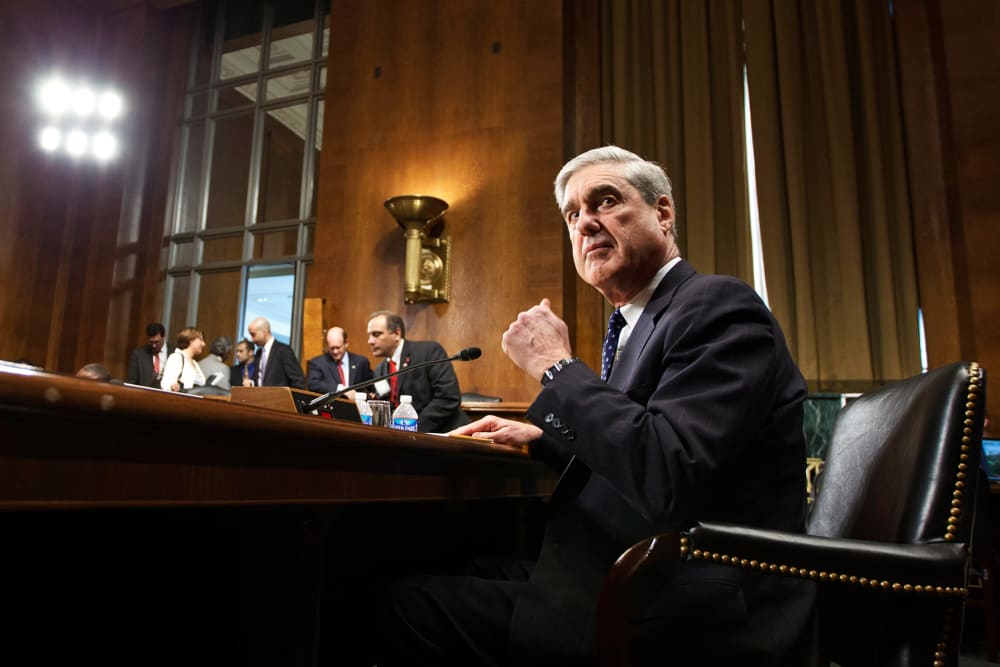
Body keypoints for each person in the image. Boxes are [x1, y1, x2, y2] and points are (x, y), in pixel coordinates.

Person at [375, 146, 815, 666]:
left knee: (405, 603)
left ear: (663, 213)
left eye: (605, 201)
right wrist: (546, 441)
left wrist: (556, 366)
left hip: (688, 605)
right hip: (626, 574)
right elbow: (643, 442)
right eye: (572, 214)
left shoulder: (716, 305)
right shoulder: (639, 323)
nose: (584, 223)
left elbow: (669, 472)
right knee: (444, 562)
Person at [366, 310, 470, 433]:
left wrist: (412, 430)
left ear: (397, 333)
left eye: (376, 334)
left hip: (446, 434)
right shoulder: (379, 371)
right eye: (369, 335)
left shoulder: (428, 352)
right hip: (403, 438)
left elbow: (448, 398)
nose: (370, 341)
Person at [306, 326, 373, 399]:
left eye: (338, 347)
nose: (335, 351)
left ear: (346, 343)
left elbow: (370, 388)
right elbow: (313, 384)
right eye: (332, 348)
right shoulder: (318, 363)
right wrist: (340, 389)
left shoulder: (361, 362)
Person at [247, 317, 305, 389]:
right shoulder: (259, 353)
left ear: (264, 332)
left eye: (253, 334)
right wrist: (251, 383)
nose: (252, 339)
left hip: (280, 396)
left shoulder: (283, 350)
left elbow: (298, 380)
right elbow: (259, 380)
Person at [125, 322, 174, 388]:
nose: (154, 345)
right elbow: (131, 382)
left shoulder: (175, 352)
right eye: (151, 342)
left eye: (157, 342)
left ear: (164, 337)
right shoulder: (139, 355)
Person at [160, 327, 207, 392]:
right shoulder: (177, 357)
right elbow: (166, 384)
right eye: (201, 340)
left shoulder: (195, 363)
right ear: (190, 340)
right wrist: (174, 387)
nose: (204, 344)